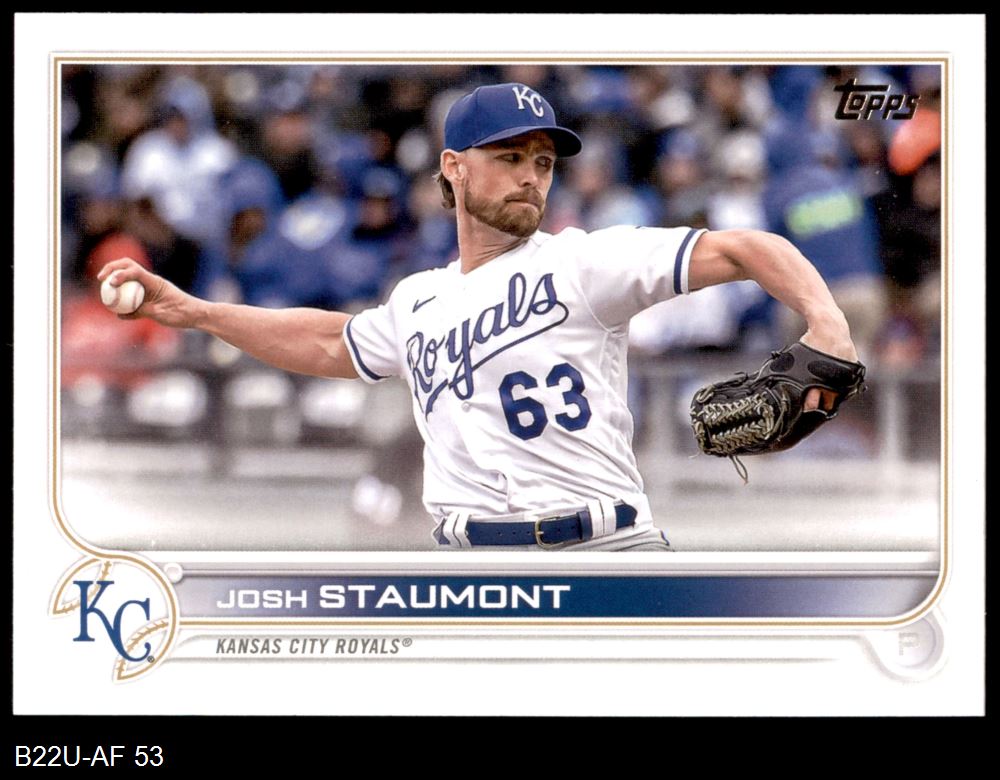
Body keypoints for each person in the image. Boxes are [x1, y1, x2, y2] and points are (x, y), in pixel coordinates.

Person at [98, 82, 858, 552]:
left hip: (603, 550)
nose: (531, 176)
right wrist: (196, 312)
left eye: (543, 161)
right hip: (469, 566)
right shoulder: (418, 300)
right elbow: (329, 341)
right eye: (509, 157)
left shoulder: (583, 262)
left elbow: (747, 246)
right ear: (454, 168)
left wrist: (829, 328)